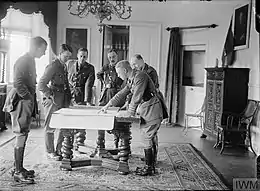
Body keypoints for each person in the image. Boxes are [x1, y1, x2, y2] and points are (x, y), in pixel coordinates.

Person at [99, 60, 163, 176]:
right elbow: (122, 93)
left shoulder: (140, 76)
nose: (118, 76)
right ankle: (151, 166)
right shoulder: (131, 78)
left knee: (147, 137)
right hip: (147, 108)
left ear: (124, 70)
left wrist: (130, 113)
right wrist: (107, 105)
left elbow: (136, 97)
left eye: (119, 73)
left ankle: (149, 168)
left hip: (152, 109)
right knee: (148, 137)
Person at [3, 36, 47, 184]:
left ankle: (19, 168)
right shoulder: (23, 61)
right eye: (44, 49)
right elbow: (18, 82)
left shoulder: (30, 60)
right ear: (37, 47)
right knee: (21, 133)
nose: (44, 53)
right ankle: (17, 171)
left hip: (25, 100)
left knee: (24, 133)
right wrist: (28, 98)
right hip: (20, 100)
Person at [130, 54, 168, 164]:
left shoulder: (150, 71)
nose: (134, 66)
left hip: (152, 101)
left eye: (135, 64)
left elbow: (144, 88)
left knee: (151, 133)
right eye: (132, 64)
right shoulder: (138, 73)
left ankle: (153, 159)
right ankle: (150, 158)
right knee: (149, 133)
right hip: (146, 103)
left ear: (142, 61)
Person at [38, 44, 72, 161]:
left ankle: (59, 150)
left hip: (63, 99)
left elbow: (66, 84)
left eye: (69, 57)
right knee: (50, 127)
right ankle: (50, 151)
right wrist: (50, 95)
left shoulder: (64, 66)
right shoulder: (52, 66)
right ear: (60, 54)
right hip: (53, 100)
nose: (67, 58)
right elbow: (41, 84)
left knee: (63, 125)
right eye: (66, 56)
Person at [90, 49, 125, 157]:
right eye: (110, 57)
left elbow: (124, 79)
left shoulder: (120, 66)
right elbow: (98, 74)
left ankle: (118, 145)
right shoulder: (106, 67)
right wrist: (105, 83)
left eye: (113, 56)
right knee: (102, 117)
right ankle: (100, 144)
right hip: (106, 94)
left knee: (117, 120)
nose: (112, 59)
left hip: (117, 93)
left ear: (117, 57)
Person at [67, 47, 95, 149]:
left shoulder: (90, 68)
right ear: (77, 56)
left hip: (81, 96)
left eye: (85, 56)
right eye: (81, 56)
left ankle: (80, 141)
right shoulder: (70, 64)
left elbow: (89, 84)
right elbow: (66, 78)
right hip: (70, 95)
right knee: (70, 119)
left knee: (81, 119)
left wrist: (87, 100)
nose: (82, 58)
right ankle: (69, 141)